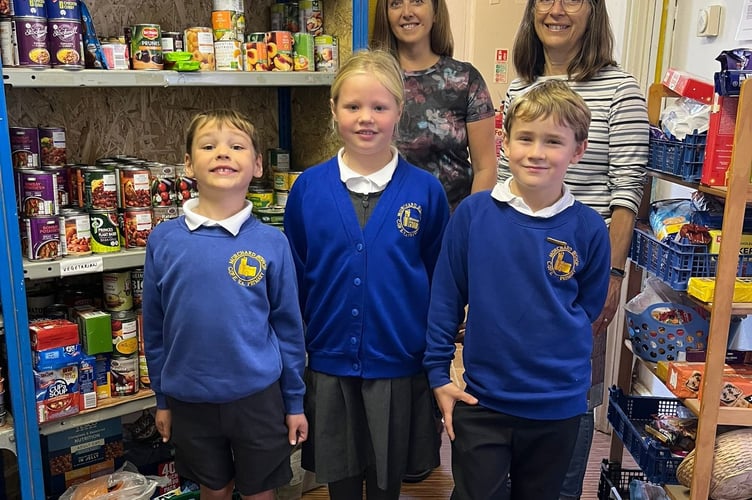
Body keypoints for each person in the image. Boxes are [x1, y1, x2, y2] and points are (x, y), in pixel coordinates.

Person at [425, 79, 611, 500]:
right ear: (504, 141)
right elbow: (445, 299)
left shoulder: (589, 228)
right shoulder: (473, 215)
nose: (537, 152)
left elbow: (587, 306)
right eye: (525, 137)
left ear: (577, 151)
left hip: (557, 405)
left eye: (553, 141)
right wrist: (438, 374)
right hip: (483, 402)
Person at [497, 1, 649, 497]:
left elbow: (627, 192)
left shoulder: (621, 91)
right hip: (516, 275)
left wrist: (611, 276)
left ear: (594, 11)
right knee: (506, 386)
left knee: (572, 394)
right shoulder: (520, 89)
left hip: (581, 274)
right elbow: (503, 185)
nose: (556, 10)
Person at [283, 49, 450, 500]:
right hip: (330, 362)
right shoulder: (308, 189)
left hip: (396, 363)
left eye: (379, 106)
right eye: (352, 106)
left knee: (385, 481)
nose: (366, 118)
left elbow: (438, 281)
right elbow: (297, 276)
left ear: (400, 111)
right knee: (339, 480)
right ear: (334, 109)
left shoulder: (425, 192)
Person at [142, 109, 308, 500]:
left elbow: (289, 329)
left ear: (257, 164)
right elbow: (154, 328)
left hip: (258, 397)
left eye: (236, 146)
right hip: (189, 399)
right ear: (188, 163)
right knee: (213, 490)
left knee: (258, 493)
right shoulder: (163, 241)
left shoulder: (272, 242)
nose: (223, 154)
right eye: (209, 146)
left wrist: (295, 402)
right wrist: (162, 400)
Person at [371, 0, 497, 211]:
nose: (407, 12)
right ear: (385, 15)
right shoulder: (373, 79)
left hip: (451, 223)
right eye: (395, 4)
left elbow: (485, 168)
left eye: (417, 2)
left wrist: (467, 225)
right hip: (386, 224)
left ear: (436, 11)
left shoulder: (464, 79)